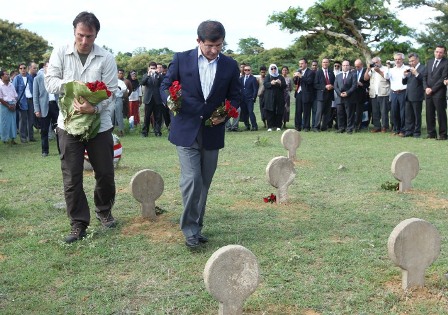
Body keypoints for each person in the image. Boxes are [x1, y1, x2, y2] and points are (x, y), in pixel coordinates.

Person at [160, 20, 241, 249]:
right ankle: (190, 230)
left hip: (212, 131)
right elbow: (166, 85)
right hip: (185, 129)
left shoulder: (229, 65)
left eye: (219, 45)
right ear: (198, 42)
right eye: (209, 46)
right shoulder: (181, 59)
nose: (214, 50)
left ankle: (197, 226)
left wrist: (224, 115)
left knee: (204, 182)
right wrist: (170, 101)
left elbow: (236, 96)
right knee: (192, 179)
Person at [45, 11, 118, 243]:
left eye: (89, 36)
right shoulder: (60, 52)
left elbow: (112, 91)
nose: (84, 41)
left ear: (96, 35)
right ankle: (78, 223)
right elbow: (50, 82)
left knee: (105, 173)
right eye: (80, 35)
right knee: (72, 176)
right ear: (74, 32)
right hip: (68, 123)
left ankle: (104, 210)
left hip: (100, 124)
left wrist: (93, 108)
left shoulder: (106, 58)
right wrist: (75, 87)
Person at [33, 61, 60, 157]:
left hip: (55, 106)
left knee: (59, 129)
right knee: (44, 130)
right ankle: (45, 151)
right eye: (48, 66)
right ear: (44, 67)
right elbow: (35, 96)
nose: (50, 68)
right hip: (43, 107)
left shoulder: (56, 78)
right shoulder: (38, 79)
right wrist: (37, 109)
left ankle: (61, 150)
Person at [424, 45, 448, 140]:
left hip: (439, 92)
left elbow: (443, 78)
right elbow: (424, 77)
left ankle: (443, 134)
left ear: (444, 53)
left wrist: (432, 89)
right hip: (428, 91)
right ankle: (431, 133)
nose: (438, 53)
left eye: (441, 52)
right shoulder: (429, 62)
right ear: (434, 52)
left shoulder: (446, 63)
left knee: (441, 114)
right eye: (437, 51)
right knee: (429, 113)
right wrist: (426, 88)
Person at [385, 53, 409, 136]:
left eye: (399, 59)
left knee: (403, 112)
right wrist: (388, 68)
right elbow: (387, 77)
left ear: (402, 59)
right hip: (394, 92)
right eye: (395, 59)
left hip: (403, 92)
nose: (397, 61)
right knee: (394, 112)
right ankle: (396, 129)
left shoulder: (407, 68)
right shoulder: (391, 69)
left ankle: (403, 130)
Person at [365, 57, 390, 133]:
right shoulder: (372, 70)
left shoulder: (386, 68)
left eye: (376, 62)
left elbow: (388, 78)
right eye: (373, 62)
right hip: (373, 93)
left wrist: (379, 71)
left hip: (383, 93)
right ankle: (377, 126)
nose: (375, 64)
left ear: (380, 61)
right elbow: (365, 78)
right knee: (375, 111)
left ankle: (384, 127)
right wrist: (368, 69)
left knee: (384, 111)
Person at [402, 53, 425, 138]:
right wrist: (404, 76)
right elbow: (404, 82)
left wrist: (416, 73)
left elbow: (423, 80)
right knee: (408, 115)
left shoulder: (423, 68)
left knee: (417, 115)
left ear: (417, 59)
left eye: (412, 61)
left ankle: (417, 132)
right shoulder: (410, 69)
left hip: (417, 95)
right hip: (408, 95)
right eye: (410, 61)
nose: (411, 62)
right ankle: (408, 131)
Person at [13, 63, 35, 143]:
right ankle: (23, 138)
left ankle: (31, 137)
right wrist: (16, 101)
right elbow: (14, 90)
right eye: (21, 68)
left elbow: (33, 88)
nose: (23, 70)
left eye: (24, 68)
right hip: (22, 101)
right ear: (19, 69)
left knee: (31, 119)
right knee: (23, 120)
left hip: (31, 100)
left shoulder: (30, 77)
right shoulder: (17, 78)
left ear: (26, 68)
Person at [141, 61, 164, 137]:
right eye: (151, 68)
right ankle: (145, 132)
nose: (153, 69)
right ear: (148, 68)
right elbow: (143, 83)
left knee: (158, 116)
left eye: (154, 68)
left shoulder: (159, 76)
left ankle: (157, 131)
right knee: (147, 116)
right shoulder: (146, 75)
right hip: (148, 99)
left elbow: (163, 83)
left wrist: (158, 74)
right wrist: (148, 75)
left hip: (157, 99)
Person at [334, 60, 357, 133]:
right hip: (340, 98)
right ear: (342, 66)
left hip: (349, 97)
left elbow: (354, 86)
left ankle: (349, 128)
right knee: (340, 114)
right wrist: (339, 93)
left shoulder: (353, 75)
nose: (345, 67)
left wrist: (347, 93)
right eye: (344, 65)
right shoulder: (338, 76)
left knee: (349, 114)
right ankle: (341, 128)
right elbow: (335, 86)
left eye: (347, 65)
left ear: (349, 66)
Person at [293, 58, 315, 131]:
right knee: (298, 111)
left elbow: (309, 82)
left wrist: (301, 76)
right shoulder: (298, 71)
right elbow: (296, 83)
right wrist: (295, 78)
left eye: (302, 63)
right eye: (299, 64)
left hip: (306, 94)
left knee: (306, 111)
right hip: (299, 93)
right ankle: (297, 126)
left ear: (306, 64)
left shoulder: (310, 72)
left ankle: (306, 127)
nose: (300, 65)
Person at [313, 58, 335, 131]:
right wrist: (325, 87)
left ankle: (324, 127)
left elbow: (334, 82)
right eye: (324, 62)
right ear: (321, 63)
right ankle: (316, 127)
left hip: (329, 95)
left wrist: (332, 86)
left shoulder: (331, 72)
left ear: (328, 63)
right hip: (321, 95)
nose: (325, 63)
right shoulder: (318, 72)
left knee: (327, 112)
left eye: (326, 62)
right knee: (319, 112)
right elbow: (315, 84)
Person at [264, 64, 286, 131]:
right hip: (270, 97)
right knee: (270, 111)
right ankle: (270, 126)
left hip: (279, 97)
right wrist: (271, 83)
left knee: (279, 111)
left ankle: (278, 126)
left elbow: (284, 86)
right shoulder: (268, 76)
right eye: (272, 69)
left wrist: (280, 83)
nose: (273, 70)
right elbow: (265, 84)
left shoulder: (280, 77)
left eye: (275, 68)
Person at [0, 70, 18, 145]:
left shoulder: (11, 84)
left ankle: (13, 138)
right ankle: (5, 139)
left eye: (8, 74)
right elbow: (0, 98)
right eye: (6, 74)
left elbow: (15, 96)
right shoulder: (0, 85)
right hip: (4, 105)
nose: (8, 75)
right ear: (1, 76)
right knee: (4, 123)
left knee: (13, 123)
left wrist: (14, 104)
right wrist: (8, 106)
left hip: (12, 104)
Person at [240, 64, 258, 131]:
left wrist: (254, 97)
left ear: (250, 70)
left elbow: (255, 89)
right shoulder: (241, 78)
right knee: (244, 113)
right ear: (244, 71)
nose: (247, 71)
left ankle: (254, 126)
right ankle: (247, 126)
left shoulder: (253, 79)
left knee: (251, 112)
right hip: (242, 98)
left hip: (250, 98)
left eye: (248, 70)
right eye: (245, 70)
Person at [352, 59, 369, 131]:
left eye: (358, 66)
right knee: (353, 111)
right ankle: (353, 124)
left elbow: (369, 82)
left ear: (362, 65)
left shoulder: (366, 71)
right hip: (353, 94)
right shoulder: (353, 71)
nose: (357, 68)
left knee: (360, 111)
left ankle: (358, 125)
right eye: (355, 66)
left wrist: (362, 84)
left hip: (362, 94)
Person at [113, 69, 127, 136]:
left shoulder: (120, 82)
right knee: (110, 115)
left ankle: (121, 130)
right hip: (111, 99)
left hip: (118, 98)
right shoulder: (109, 81)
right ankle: (110, 131)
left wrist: (118, 88)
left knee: (119, 114)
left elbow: (124, 89)